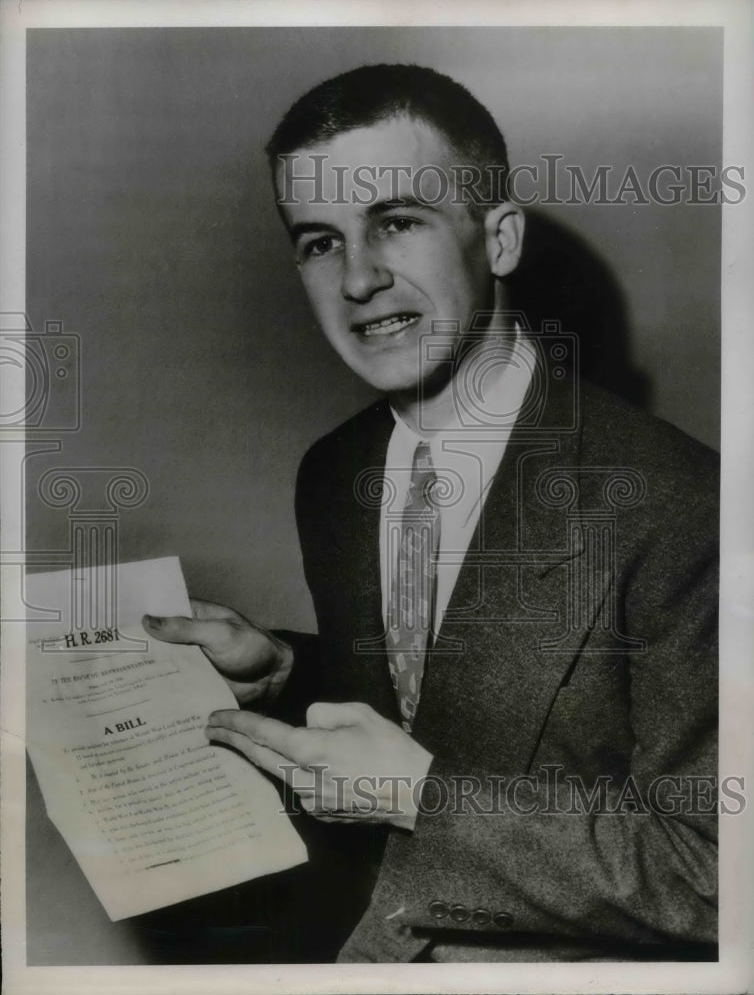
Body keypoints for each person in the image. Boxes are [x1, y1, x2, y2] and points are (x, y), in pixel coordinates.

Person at [144, 64, 718, 962]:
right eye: (317, 242)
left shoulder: (686, 506)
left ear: (499, 240)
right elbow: (446, 690)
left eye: (397, 222)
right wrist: (287, 668)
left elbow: (716, 875)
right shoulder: (336, 473)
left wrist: (421, 795)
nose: (359, 279)